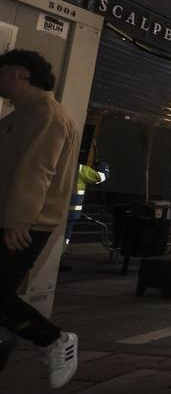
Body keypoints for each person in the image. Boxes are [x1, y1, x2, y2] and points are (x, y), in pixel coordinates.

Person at [0, 50, 80, 388]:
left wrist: (18, 220)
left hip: (22, 225)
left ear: (19, 74)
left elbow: (36, 172)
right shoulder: (20, 116)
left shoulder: (46, 115)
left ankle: (53, 339)